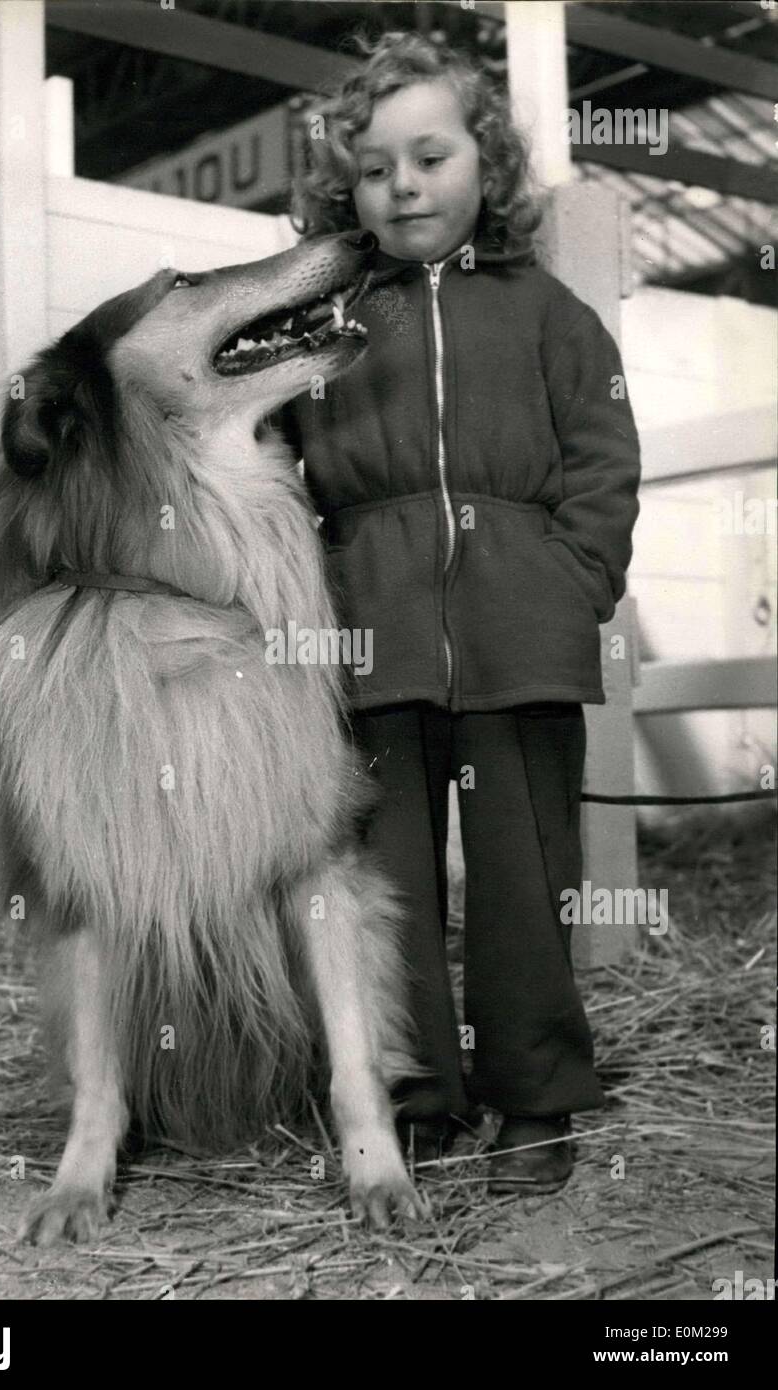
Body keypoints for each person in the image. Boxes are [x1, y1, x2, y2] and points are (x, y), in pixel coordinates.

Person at [277, 32, 641, 1193]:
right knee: (383, 879)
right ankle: (414, 1092)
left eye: (429, 156)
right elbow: (273, 465)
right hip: (367, 634)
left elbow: (602, 456)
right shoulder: (325, 328)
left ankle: (536, 1097)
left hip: (521, 634)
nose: (404, 184)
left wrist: (572, 578)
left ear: (485, 160)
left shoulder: (551, 314)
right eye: (375, 167)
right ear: (347, 189)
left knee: (526, 877)